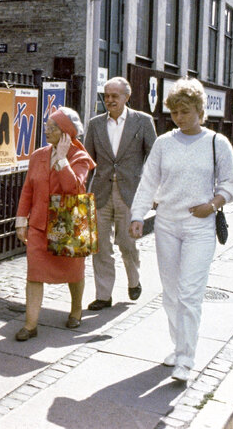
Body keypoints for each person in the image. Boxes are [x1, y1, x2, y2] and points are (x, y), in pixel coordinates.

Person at [129, 77, 233, 382]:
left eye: (186, 111)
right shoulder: (164, 143)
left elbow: (232, 184)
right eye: (175, 112)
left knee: (190, 294)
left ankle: (187, 359)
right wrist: (138, 216)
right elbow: (148, 181)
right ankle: (179, 347)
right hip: (166, 224)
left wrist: (213, 204)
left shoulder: (218, 143)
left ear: (200, 111)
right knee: (171, 293)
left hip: (199, 226)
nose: (180, 117)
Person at [14, 107, 96, 341]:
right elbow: (28, 189)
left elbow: (74, 188)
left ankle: (76, 309)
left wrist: (61, 160)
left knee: (73, 272)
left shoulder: (79, 157)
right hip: (39, 225)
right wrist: (22, 220)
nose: (46, 131)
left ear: (66, 133)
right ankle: (30, 325)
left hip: (67, 226)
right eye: (47, 126)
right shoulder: (38, 155)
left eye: (52, 128)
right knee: (34, 273)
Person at [84, 77, 157, 311]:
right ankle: (103, 295)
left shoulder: (143, 121)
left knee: (127, 243)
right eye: (106, 96)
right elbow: (87, 161)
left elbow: (155, 159)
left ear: (127, 96)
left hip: (130, 193)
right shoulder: (95, 124)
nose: (109, 100)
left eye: (115, 96)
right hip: (101, 192)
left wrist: (151, 190)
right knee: (101, 246)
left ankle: (134, 280)